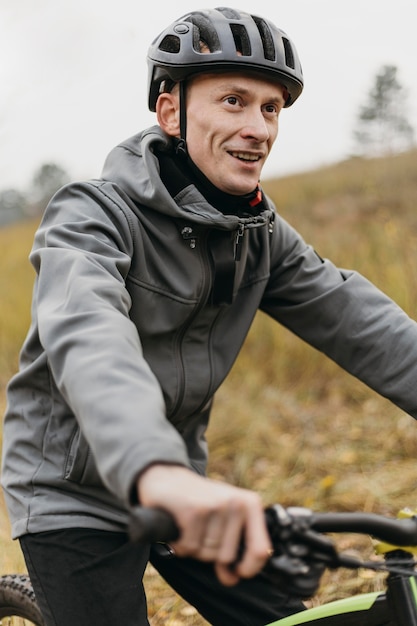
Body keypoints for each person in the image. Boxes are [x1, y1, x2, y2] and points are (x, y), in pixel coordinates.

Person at [2, 6, 417, 625]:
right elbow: (90, 343)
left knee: (284, 616)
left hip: (185, 486)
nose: (258, 128)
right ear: (171, 111)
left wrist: (175, 477)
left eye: (270, 108)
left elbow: (362, 324)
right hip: (78, 493)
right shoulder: (91, 217)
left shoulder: (258, 234)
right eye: (232, 100)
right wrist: (157, 470)